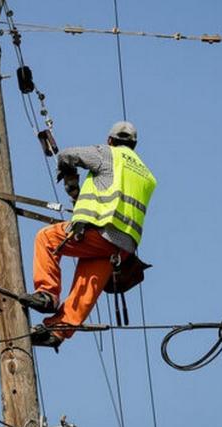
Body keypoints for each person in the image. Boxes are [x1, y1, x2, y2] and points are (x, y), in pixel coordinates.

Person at [23, 121, 157, 349]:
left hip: (102, 232)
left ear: (110, 141)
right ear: (134, 145)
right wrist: (77, 194)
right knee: (88, 283)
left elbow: (67, 155)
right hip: (122, 247)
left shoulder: (108, 154)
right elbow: (110, 196)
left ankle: (47, 294)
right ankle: (58, 331)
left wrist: (69, 174)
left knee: (46, 238)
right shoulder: (146, 174)